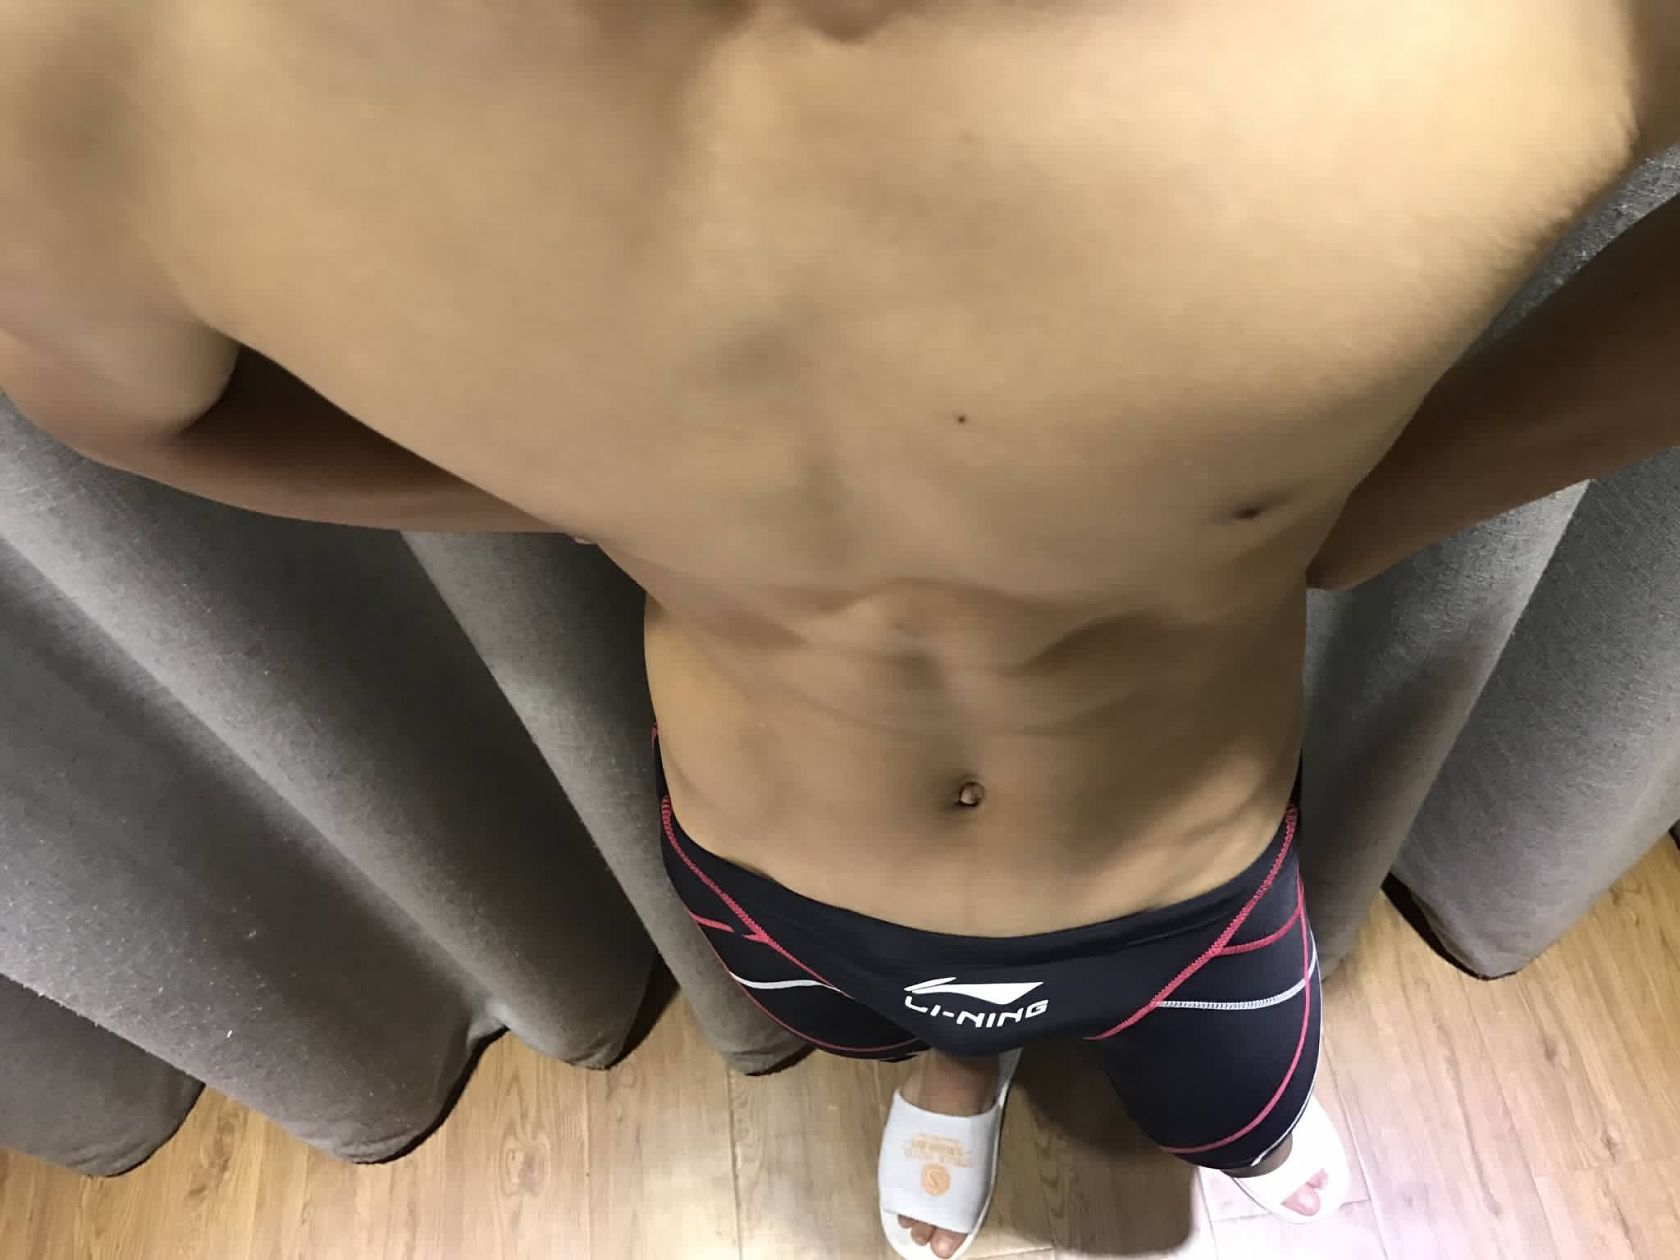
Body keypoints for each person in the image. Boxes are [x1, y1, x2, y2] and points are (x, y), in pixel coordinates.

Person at [5, 1, 1680, 1253]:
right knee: (890, 1042)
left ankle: (1236, 1148)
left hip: (1184, 886)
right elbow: (137, 415)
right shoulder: (107, 53)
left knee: (1242, 1115)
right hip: (778, 880)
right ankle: (953, 1076)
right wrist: (578, 493)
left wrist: (1396, 496)